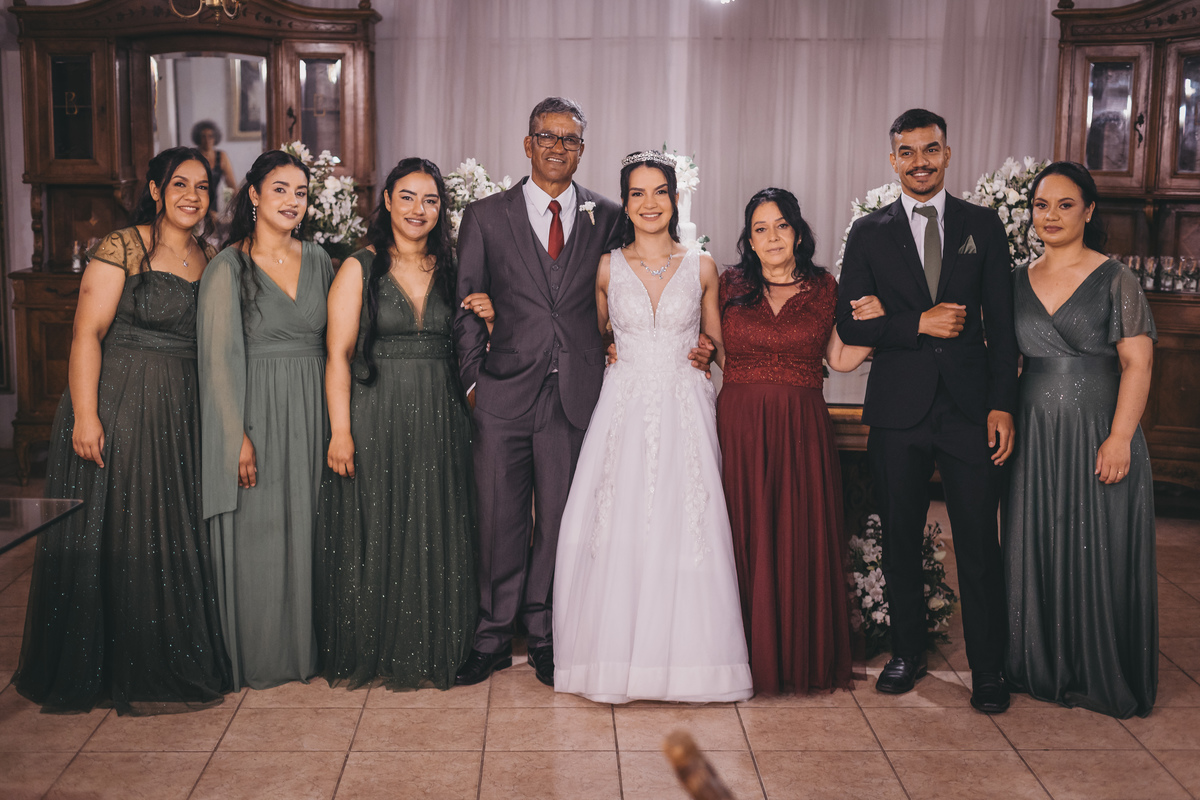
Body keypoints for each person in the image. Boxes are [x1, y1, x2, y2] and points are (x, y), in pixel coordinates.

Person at [15, 147, 232, 714]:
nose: (192, 196)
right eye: (179, 184)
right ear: (156, 190)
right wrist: (86, 416)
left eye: (202, 186)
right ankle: (108, 664)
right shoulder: (123, 246)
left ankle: (164, 653)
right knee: (122, 526)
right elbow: (86, 333)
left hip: (179, 409)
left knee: (166, 526)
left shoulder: (210, 256)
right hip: (121, 401)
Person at [550, 151, 753, 703]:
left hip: (686, 408)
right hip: (624, 407)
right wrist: (611, 347)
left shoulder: (702, 266)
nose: (649, 203)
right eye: (637, 193)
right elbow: (592, 339)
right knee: (621, 522)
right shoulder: (607, 267)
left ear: (675, 197)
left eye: (659, 191)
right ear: (625, 202)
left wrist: (712, 352)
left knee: (688, 524)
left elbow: (720, 349)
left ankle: (691, 665)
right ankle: (614, 659)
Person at [836, 108, 1019, 714]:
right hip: (897, 411)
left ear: (947, 153)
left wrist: (1002, 404)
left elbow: (1002, 325)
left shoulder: (982, 226)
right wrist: (919, 321)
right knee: (899, 539)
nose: (920, 162)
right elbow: (848, 325)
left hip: (970, 410)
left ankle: (988, 669)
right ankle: (906, 653)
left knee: (979, 542)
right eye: (908, 152)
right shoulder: (868, 232)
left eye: (930, 149)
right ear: (893, 160)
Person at [451, 97, 622, 687]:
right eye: (547, 136)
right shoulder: (485, 217)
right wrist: (473, 384)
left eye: (570, 139)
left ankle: (547, 635)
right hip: (501, 394)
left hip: (574, 395)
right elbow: (466, 305)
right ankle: (492, 638)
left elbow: (624, 292)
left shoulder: (609, 215)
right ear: (527, 145)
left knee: (559, 522)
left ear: (582, 150)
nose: (557, 147)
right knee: (497, 520)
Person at [316, 158, 478, 690]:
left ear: (441, 208)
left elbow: (476, 345)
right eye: (407, 197)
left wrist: (491, 315)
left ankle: (438, 642)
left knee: (437, 521)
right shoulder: (360, 267)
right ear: (386, 201)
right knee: (382, 522)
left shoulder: (455, 269)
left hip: (443, 412)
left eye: (430, 200)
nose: (418, 209)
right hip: (377, 411)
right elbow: (337, 355)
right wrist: (341, 431)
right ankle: (380, 645)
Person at [1004, 161, 1157, 719]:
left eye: (1065, 205)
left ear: (1088, 211)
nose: (1051, 216)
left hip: (1099, 430)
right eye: (1041, 205)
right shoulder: (1015, 279)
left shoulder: (1117, 279)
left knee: (1101, 545)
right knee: (1036, 541)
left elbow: (1138, 364)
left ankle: (1097, 668)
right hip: (1035, 434)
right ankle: (1038, 662)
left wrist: (1120, 437)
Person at [719, 188, 883, 695]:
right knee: (739, 531)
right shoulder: (727, 285)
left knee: (795, 534)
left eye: (781, 225)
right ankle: (737, 657)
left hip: (800, 428)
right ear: (749, 239)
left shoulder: (825, 288)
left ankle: (793, 657)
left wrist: (877, 324)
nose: (772, 237)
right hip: (739, 426)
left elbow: (841, 358)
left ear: (797, 232)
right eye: (760, 228)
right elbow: (709, 347)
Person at [198, 150, 334, 690]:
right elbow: (216, 361)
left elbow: (341, 343)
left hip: (314, 412)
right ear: (253, 194)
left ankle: (309, 650)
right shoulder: (227, 268)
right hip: (256, 413)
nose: (292, 201)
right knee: (261, 536)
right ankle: (261, 655)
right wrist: (235, 437)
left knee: (312, 532)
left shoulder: (321, 260)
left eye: (300, 192)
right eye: (280, 189)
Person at [192, 120, 239, 192]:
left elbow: (231, 184)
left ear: (215, 138)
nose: (207, 140)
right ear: (198, 138)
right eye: (203, 136)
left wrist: (239, 197)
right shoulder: (192, 155)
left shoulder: (221, 156)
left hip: (213, 198)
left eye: (210, 136)